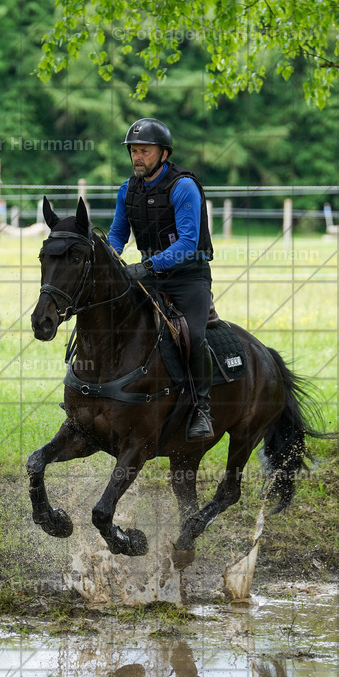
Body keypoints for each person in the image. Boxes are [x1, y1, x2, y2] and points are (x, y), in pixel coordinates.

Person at [108, 117, 215, 440]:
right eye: (134, 151)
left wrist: (147, 266)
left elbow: (187, 242)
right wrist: (108, 258)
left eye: (145, 151)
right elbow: (116, 235)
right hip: (149, 276)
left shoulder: (183, 187)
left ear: (163, 154)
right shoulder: (127, 190)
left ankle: (202, 409)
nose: (137, 157)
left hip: (189, 278)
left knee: (192, 336)